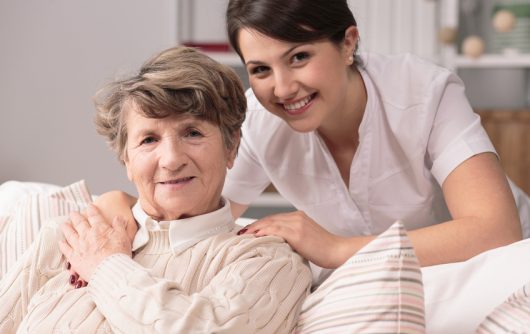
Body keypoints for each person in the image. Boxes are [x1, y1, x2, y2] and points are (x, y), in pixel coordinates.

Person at [94, 0, 528, 285]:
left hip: (493, 268)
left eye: (299, 57)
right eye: (260, 70)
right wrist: (123, 207)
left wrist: (336, 249)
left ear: (348, 44)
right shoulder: (261, 119)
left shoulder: (425, 91)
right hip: (385, 286)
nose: (282, 89)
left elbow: (495, 230)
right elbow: (199, 206)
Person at [0, 46, 312, 333]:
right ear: (126, 159)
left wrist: (104, 268)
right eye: (149, 139)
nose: (172, 159)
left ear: (231, 149)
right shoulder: (71, 237)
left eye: (192, 132)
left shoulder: (266, 260)